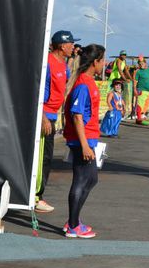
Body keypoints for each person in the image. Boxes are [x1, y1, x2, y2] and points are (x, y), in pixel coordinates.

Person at [63, 43, 106, 239]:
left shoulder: (88, 82)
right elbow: (77, 116)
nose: (104, 64)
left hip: (89, 138)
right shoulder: (82, 84)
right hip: (83, 140)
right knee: (81, 180)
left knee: (92, 179)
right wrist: (84, 145)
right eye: (103, 60)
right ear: (95, 62)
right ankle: (73, 225)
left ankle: (73, 220)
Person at [36, 30, 77, 213]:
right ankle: (37, 196)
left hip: (53, 116)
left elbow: (63, 91)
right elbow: (37, 91)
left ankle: (37, 195)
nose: (73, 47)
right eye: (71, 44)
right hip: (44, 117)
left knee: (47, 159)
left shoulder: (65, 66)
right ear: (62, 46)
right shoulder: (47, 63)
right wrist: (43, 117)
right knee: (40, 159)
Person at [133, 57, 149, 125]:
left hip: (148, 91)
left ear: (145, 63)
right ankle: (138, 118)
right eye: (139, 64)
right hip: (141, 90)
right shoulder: (138, 72)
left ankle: (142, 116)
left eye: (142, 63)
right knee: (140, 104)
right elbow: (135, 81)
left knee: (145, 105)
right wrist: (134, 89)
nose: (141, 65)